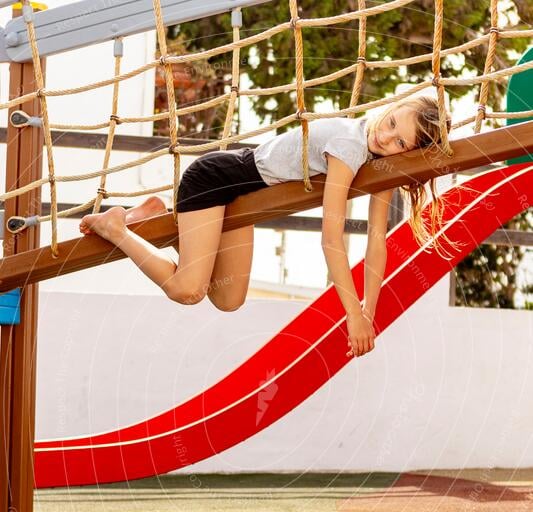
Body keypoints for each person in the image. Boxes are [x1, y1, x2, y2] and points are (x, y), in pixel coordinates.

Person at [79, 94, 451, 359]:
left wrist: (371, 309)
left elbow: (376, 240)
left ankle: (159, 217)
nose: (385, 138)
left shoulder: (377, 162)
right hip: (216, 181)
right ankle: (117, 227)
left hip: (242, 203)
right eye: (390, 124)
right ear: (392, 107)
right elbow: (331, 239)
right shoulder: (350, 145)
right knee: (187, 290)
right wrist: (352, 316)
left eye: (399, 142)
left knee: (228, 299)